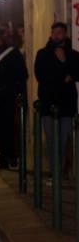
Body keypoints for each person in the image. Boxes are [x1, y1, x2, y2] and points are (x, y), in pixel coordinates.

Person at [0, 27, 28, 169]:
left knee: (10, 128)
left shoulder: (12, 53)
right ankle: (2, 157)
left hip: (8, 96)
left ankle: (13, 156)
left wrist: (14, 91)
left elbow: (22, 75)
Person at [34, 22, 79, 167]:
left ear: (65, 34)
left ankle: (60, 171)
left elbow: (76, 72)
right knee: (51, 140)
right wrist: (63, 76)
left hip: (66, 104)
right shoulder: (42, 54)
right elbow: (41, 75)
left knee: (63, 139)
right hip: (48, 103)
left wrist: (63, 61)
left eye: (59, 32)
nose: (56, 35)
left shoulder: (72, 54)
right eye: (54, 32)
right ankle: (55, 172)